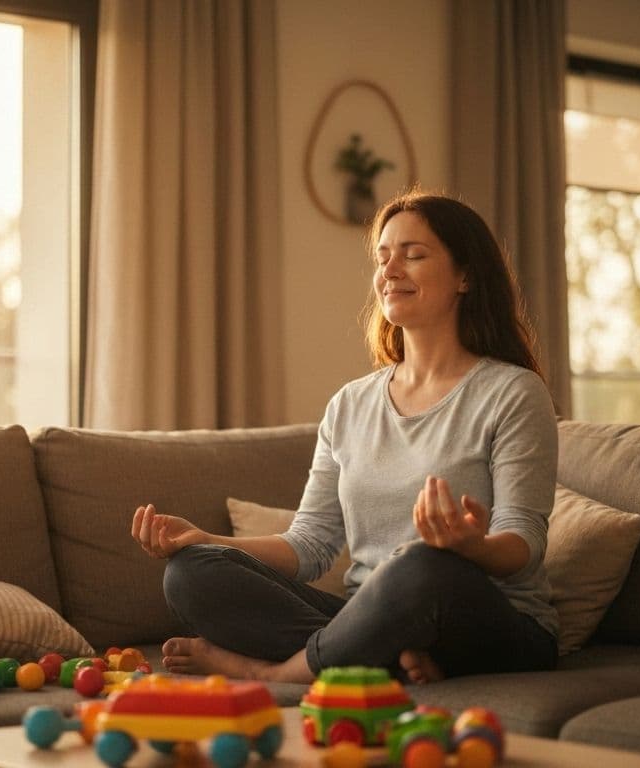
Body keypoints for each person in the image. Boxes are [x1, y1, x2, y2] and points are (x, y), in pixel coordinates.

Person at [129, 190, 559, 685]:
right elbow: (310, 545)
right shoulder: (350, 405)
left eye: (414, 255)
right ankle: (385, 658)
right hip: (378, 615)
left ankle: (283, 671)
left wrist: (470, 546)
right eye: (383, 257)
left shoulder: (513, 393)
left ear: (465, 276)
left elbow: (524, 543)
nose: (390, 270)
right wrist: (207, 540)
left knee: (423, 566)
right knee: (192, 573)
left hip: (493, 623)